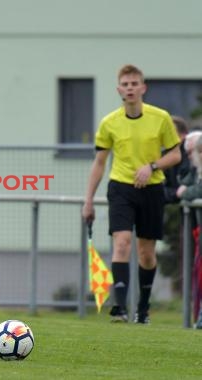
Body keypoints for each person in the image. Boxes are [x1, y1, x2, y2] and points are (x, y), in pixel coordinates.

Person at [82, 64, 181, 324]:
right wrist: (88, 200)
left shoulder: (161, 118)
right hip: (121, 187)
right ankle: (120, 308)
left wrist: (152, 166)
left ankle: (143, 309)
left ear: (143, 88)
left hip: (152, 189)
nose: (130, 89)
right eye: (125, 85)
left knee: (147, 252)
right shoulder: (109, 123)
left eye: (134, 84)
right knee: (122, 242)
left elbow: (176, 154)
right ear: (119, 90)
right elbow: (100, 163)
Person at [176, 132, 202, 328]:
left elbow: (192, 192)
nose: (190, 157)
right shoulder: (194, 173)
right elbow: (184, 191)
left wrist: (188, 193)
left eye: (192, 152)